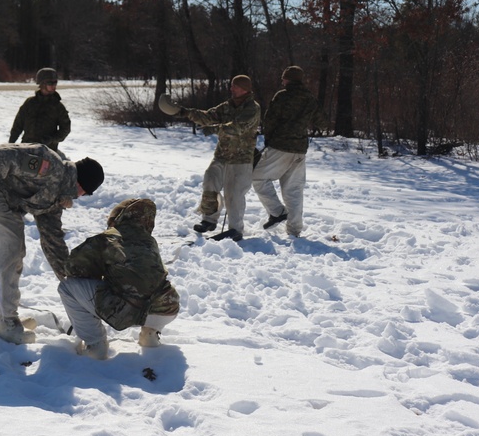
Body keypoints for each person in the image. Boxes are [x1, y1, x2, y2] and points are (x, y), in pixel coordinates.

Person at [0, 143, 104, 344]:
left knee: (14, 252)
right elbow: (0, 158)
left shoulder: (56, 197)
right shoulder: (49, 165)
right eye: (85, 193)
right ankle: (3, 320)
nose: (80, 197)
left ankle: (2, 315)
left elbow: (54, 243)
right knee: (6, 252)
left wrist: (71, 281)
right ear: (81, 186)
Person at [58, 198, 180, 360]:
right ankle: (150, 334)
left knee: (67, 287)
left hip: (129, 310)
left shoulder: (107, 238)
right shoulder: (149, 241)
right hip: (168, 307)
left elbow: (72, 267)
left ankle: (96, 345)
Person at [158, 75, 260, 241]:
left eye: (235, 86)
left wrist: (214, 130)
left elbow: (238, 128)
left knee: (234, 195)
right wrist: (183, 112)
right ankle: (209, 220)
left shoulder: (252, 108)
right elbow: (208, 116)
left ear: (245, 89)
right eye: (232, 86)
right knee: (210, 181)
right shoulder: (227, 106)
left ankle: (235, 229)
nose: (232, 89)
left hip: (241, 160)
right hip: (222, 156)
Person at [252, 65, 327, 237]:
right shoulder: (310, 99)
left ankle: (278, 212)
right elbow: (323, 122)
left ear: (288, 79)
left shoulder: (282, 96)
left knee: (257, 177)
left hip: (280, 146)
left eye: (283, 78)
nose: (281, 80)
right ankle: (294, 231)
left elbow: (269, 119)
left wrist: (269, 138)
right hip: (300, 149)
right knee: (293, 190)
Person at [8, 67, 71, 151]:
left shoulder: (58, 107)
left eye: (55, 82)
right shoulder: (30, 103)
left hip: (47, 151)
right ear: (42, 84)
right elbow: (18, 125)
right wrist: (10, 144)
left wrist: (52, 139)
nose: (53, 86)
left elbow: (65, 129)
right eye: (50, 83)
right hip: (27, 148)